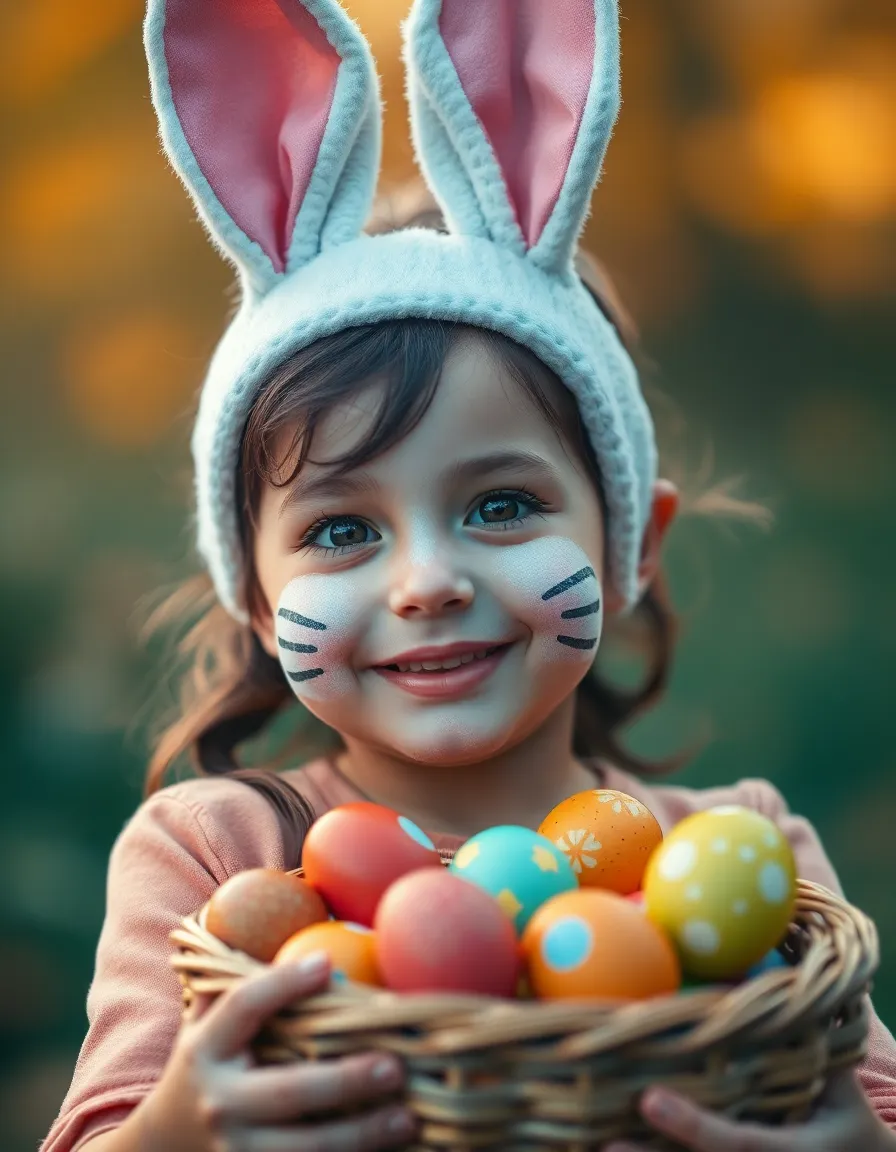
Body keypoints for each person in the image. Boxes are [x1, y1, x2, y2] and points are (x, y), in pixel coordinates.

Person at [43, 0, 896, 1150]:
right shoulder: (216, 856)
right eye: (342, 531)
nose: (428, 581)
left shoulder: (737, 849)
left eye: (501, 507)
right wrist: (188, 1126)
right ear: (249, 593)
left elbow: (867, 1102)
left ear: (628, 546)